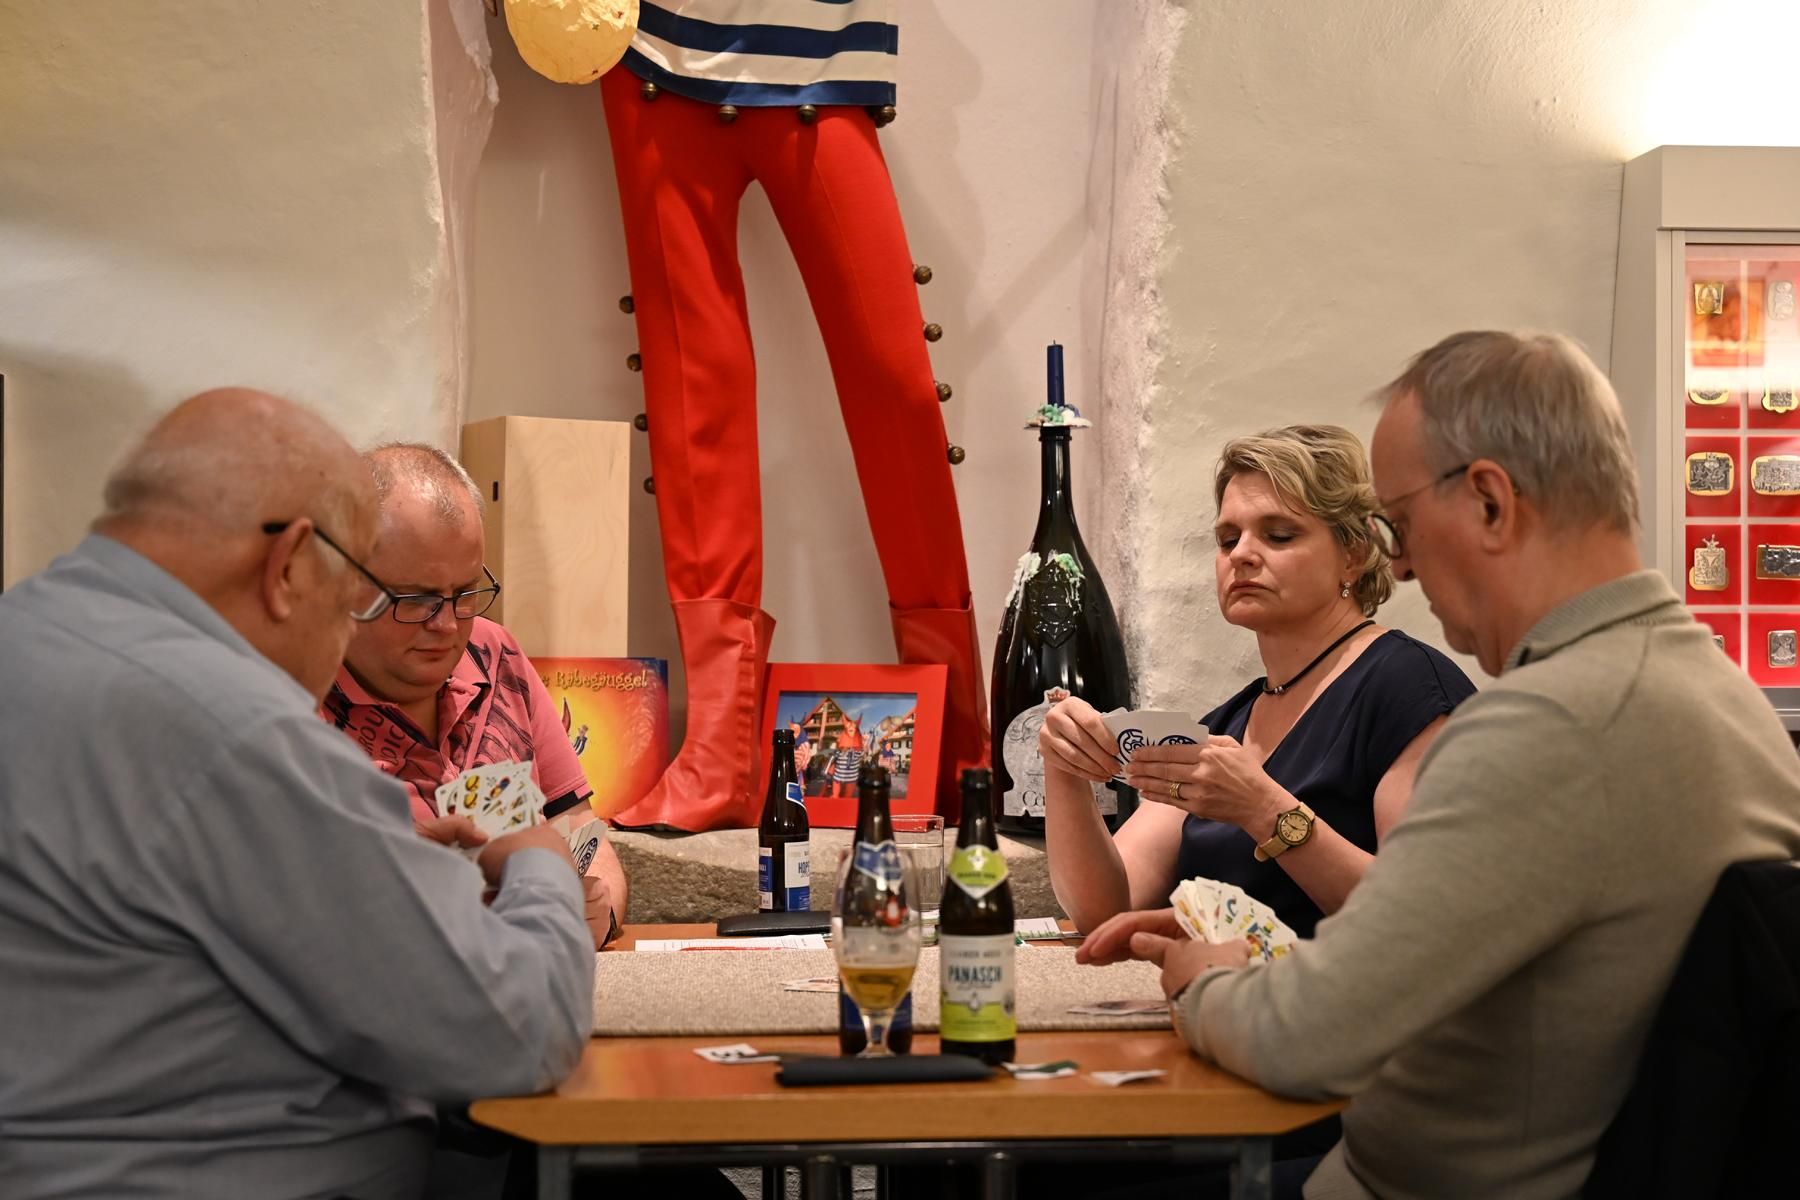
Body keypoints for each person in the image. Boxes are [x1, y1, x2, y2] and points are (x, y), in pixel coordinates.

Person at [1083, 331, 1800, 1200]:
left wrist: (1204, 981)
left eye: (1402, 525)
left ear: (1491, 502)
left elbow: (1310, 1035)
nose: (1402, 565)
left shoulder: (1545, 726)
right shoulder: (1728, 700)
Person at [0, 390, 593, 1199]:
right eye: (357, 603)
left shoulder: (32, 635)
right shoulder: (229, 725)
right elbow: (517, 1033)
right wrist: (541, 865)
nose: (348, 633)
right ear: (287, 567)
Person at [1041, 425, 1475, 940]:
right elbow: (1104, 913)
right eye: (1228, 539)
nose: (1241, 554)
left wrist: (1263, 808)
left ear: (1353, 555)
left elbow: (1425, 917)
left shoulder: (1407, 687)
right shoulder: (1230, 721)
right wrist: (1065, 768)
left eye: (1279, 535)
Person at [322, 443, 629, 950]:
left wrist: (601, 911)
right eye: (418, 599)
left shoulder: (494, 652)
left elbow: (580, 832)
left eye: (465, 594)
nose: (447, 625)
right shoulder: (294, 697)